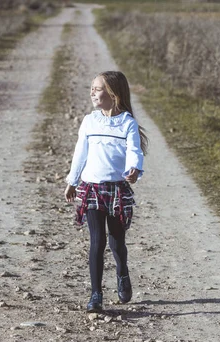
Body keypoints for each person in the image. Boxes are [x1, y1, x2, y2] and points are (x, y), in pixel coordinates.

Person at [64, 71, 148, 313]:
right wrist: (72, 181)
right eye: (91, 88)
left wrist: (134, 168)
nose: (92, 92)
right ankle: (96, 294)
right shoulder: (90, 121)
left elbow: (134, 150)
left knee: (116, 242)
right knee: (97, 241)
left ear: (113, 94)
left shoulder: (127, 123)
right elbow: (80, 153)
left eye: (97, 89)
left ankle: (122, 274)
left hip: (116, 190)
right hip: (91, 187)